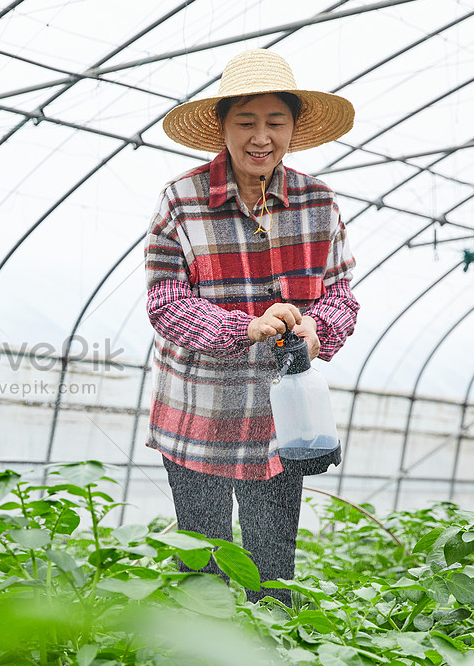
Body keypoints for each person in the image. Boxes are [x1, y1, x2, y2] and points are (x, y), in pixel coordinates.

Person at [144, 49, 360, 606]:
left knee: (272, 572)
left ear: (293, 129)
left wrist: (317, 329)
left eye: (275, 122)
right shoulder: (182, 201)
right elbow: (165, 303)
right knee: (204, 569)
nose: (261, 137)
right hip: (198, 417)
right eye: (246, 122)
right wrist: (248, 327)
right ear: (222, 127)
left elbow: (341, 296)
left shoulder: (318, 202)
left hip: (281, 422)